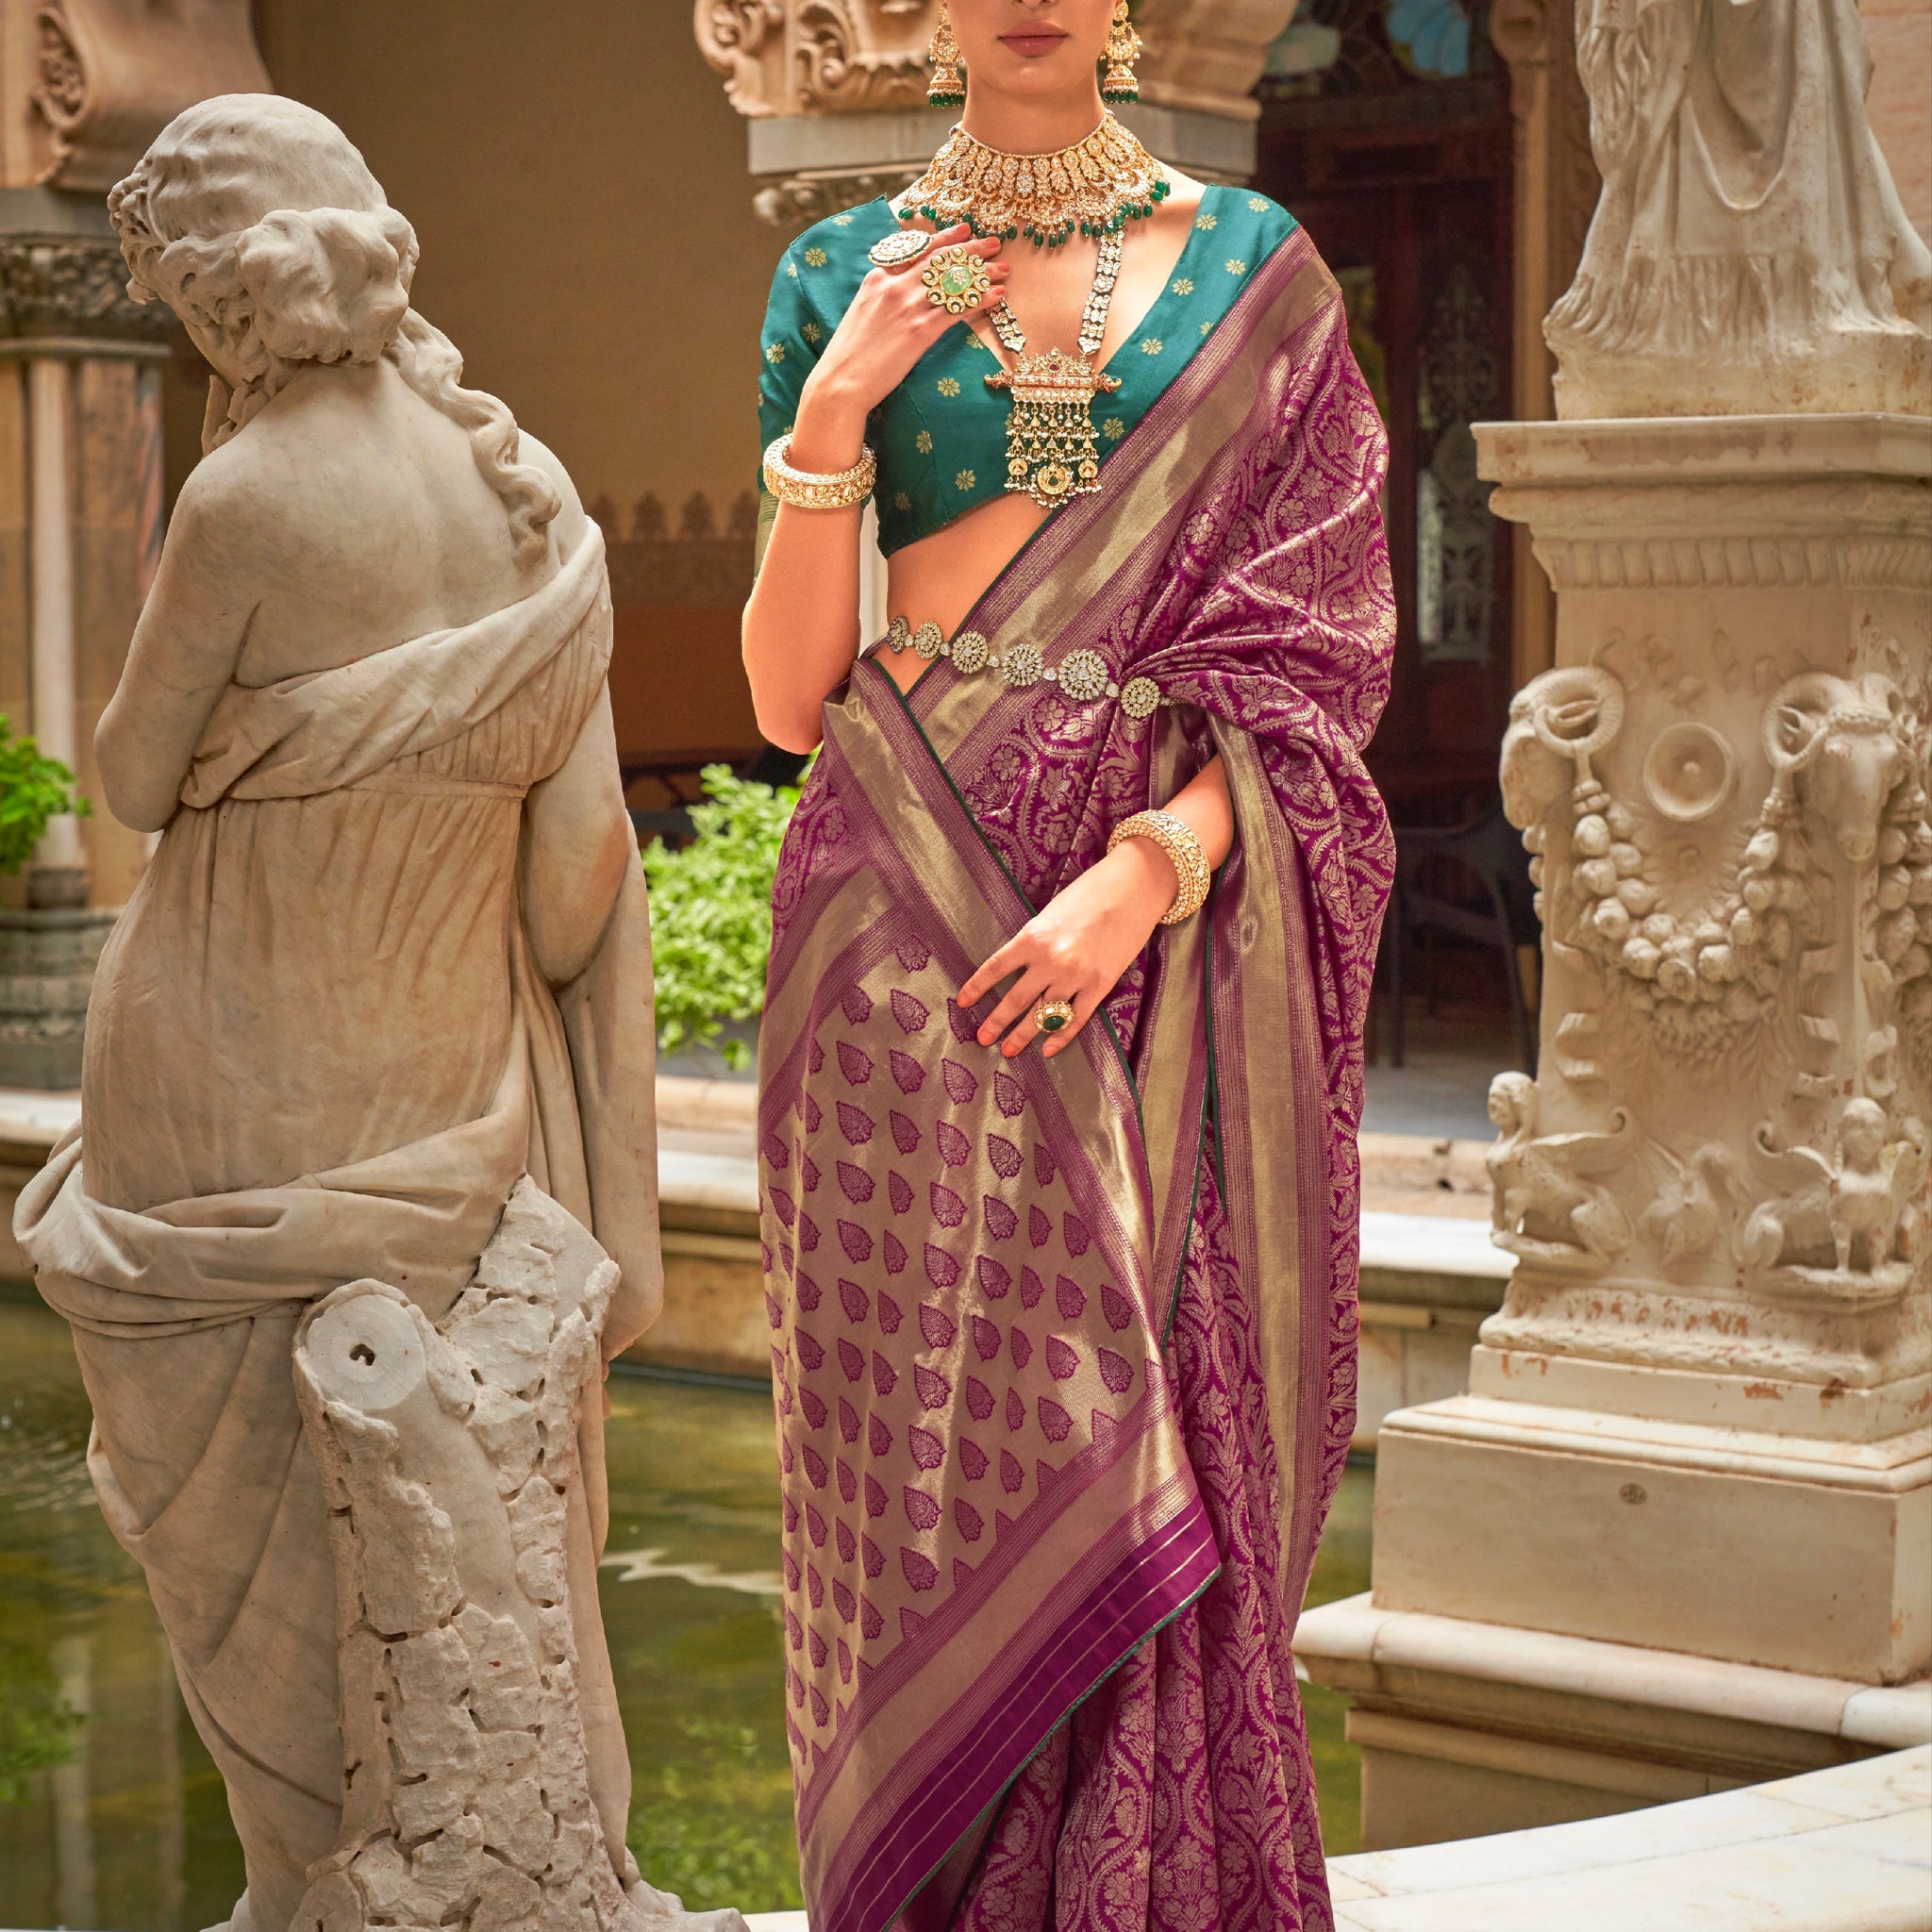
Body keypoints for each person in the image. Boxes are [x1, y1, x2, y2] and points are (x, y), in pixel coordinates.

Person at [741, 2, 1394, 1925]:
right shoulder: (832, 272)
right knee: (928, 1492)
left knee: (1157, 1439)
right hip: (892, 936)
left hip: (1158, 938)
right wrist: (833, 414)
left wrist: (1148, 875)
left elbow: (1316, 684)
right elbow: (789, 701)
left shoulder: (1260, 281)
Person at [13, 95, 691, 1931]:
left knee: (215, 1508)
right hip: (447, 1082)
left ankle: (308, 1881)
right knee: (443, 1503)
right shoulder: (531, 499)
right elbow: (574, 892)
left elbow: (133, 775)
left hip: (229, 1084)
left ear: (228, 302)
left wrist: (273, 747)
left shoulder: (242, 498)